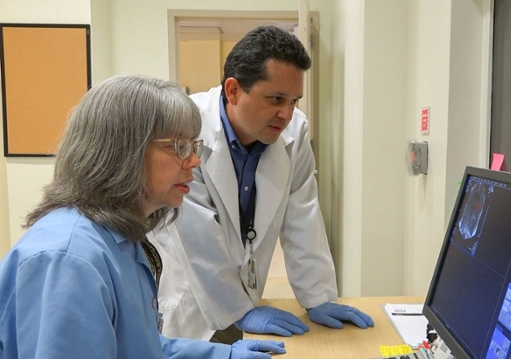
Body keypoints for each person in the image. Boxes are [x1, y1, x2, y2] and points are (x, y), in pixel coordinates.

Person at [0, 75, 286, 358]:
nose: (196, 161)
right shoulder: (68, 259)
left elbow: (139, 347)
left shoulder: (119, 239)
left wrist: (223, 355)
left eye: (193, 146)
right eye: (179, 147)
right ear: (124, 152)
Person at [148, 25, 374, 344]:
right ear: (233, 90)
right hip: (188, 296)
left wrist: (318, 295)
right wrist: (239, 309)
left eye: (294, 100)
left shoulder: (294, 133)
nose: (286, 113)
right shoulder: (187, 130)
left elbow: (303, 216)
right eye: (276, 98)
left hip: (245, 292)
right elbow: (195, 234)